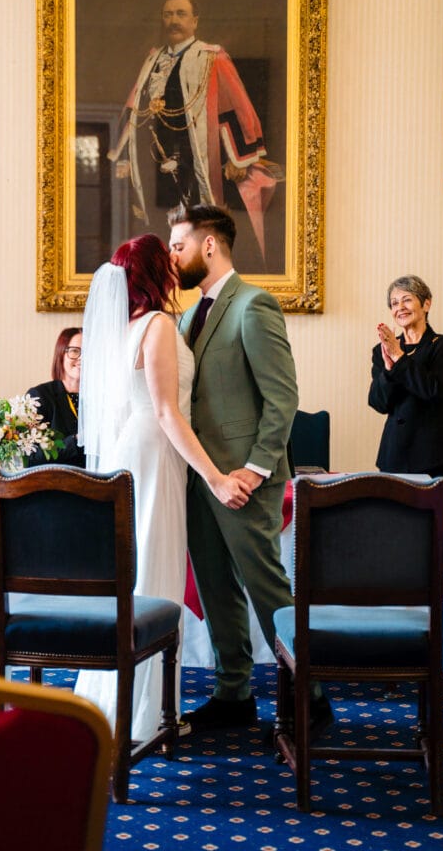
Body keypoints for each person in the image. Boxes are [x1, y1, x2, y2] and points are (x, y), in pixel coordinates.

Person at [74, 233, 250, 740]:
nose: (177, 261)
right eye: (167, 256)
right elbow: (168, 412)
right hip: (154, 453)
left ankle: (136, 704)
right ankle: (144, 712)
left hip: (139, 452)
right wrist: (215, 478)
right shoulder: (156, 325)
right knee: (153, 577)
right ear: (155, 272)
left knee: (139, 577)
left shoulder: (125, 328)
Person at [168, 203, 332, 738]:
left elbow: (282, 399)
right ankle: (233, 693)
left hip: (245, 481)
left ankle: (312, 696)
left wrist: (255, 472)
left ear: (209, 245)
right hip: (200, 478)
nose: (173, 256)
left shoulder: (254, 305)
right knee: (215, 587)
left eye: (179, 246)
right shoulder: (190, 317)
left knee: (266, 587)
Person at [108, 0, 281, 263]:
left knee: (202, 220)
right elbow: (136, 105)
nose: (174, 20)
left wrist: (239, 157)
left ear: (194, 21)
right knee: (162, 220)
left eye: (181, 14)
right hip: (159, 155)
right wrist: (125, 153)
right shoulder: (153, 59)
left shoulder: (212, 56)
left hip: (200, 152)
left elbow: (236, 105)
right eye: (168, 14)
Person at [369, 274, 443, 534]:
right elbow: (378, 402)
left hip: (440, 456)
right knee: (397, 536)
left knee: (442, 536)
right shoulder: (382, 349)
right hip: (396, 456)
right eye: (393, 303)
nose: (399, 307)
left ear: (426, 304)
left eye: (406, 299)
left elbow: (433, 390)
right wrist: (389, 369)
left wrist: (400, 358)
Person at [25, 327, 85, 467]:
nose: (82, 358)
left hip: (97, 481)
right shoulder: (39, 396)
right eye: (75, 351)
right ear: (61, 354)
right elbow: (31, 457)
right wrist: (78, 440)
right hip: (54, 483)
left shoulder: (103, 398)